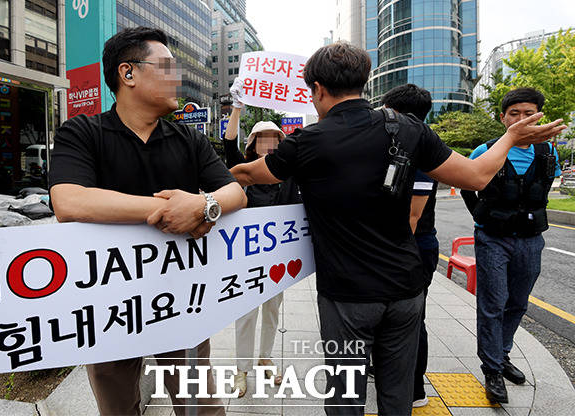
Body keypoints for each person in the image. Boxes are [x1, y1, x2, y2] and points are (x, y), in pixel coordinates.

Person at [229, 42, 565, 415]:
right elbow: (476, 176)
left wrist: (206, 190)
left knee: (346, 396)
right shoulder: (407, 129)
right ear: (364, 81)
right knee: (397, 392)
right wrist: (511, 137)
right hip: (406, 293)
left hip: (347, 298)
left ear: (318, 89)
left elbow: (247, 173)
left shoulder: (307, 141)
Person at [49, 27, 247, 416]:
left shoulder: (189, 139)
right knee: (119, 408)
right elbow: (68, 200)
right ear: (128, 74)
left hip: (181, 301)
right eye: (166, 67)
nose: (177, 78)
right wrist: (169, 211)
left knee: (202, 409)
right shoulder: (83, 133)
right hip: (109, 310)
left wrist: (204, 205)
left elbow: (236, 193)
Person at [460, 88, 561, 404]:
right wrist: (480, 215)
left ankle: (502, 354)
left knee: (518, 302)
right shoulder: (486, 149)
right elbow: (466, 183)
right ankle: (491, 369)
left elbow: (545, 186)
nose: (521, 119)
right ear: (502, 118)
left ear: (539, 115)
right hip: (492, 239)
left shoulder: (548, 153)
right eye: (514, 113)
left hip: (531, 240)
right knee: (493, 302)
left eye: (528, 113)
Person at [223, 77, 302, 397]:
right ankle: (241, 371)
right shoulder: (243, 169)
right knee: (246, 315)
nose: (269, 143)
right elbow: (228, 144)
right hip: (247, 257)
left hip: (279, 259)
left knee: (272, 311)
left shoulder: (290, 172)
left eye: (274, 139)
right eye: (263, 139)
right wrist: (237, 108)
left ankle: (265, 359)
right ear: (253, 144)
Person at [382, 84, 437, 409]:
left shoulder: (419, 146)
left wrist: (389, 256)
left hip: (411, 248)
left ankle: (414, 387)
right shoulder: (401, 142)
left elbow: (413, 217)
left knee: (413, 319)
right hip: (401, 247)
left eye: (386, 111)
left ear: (399, 114)